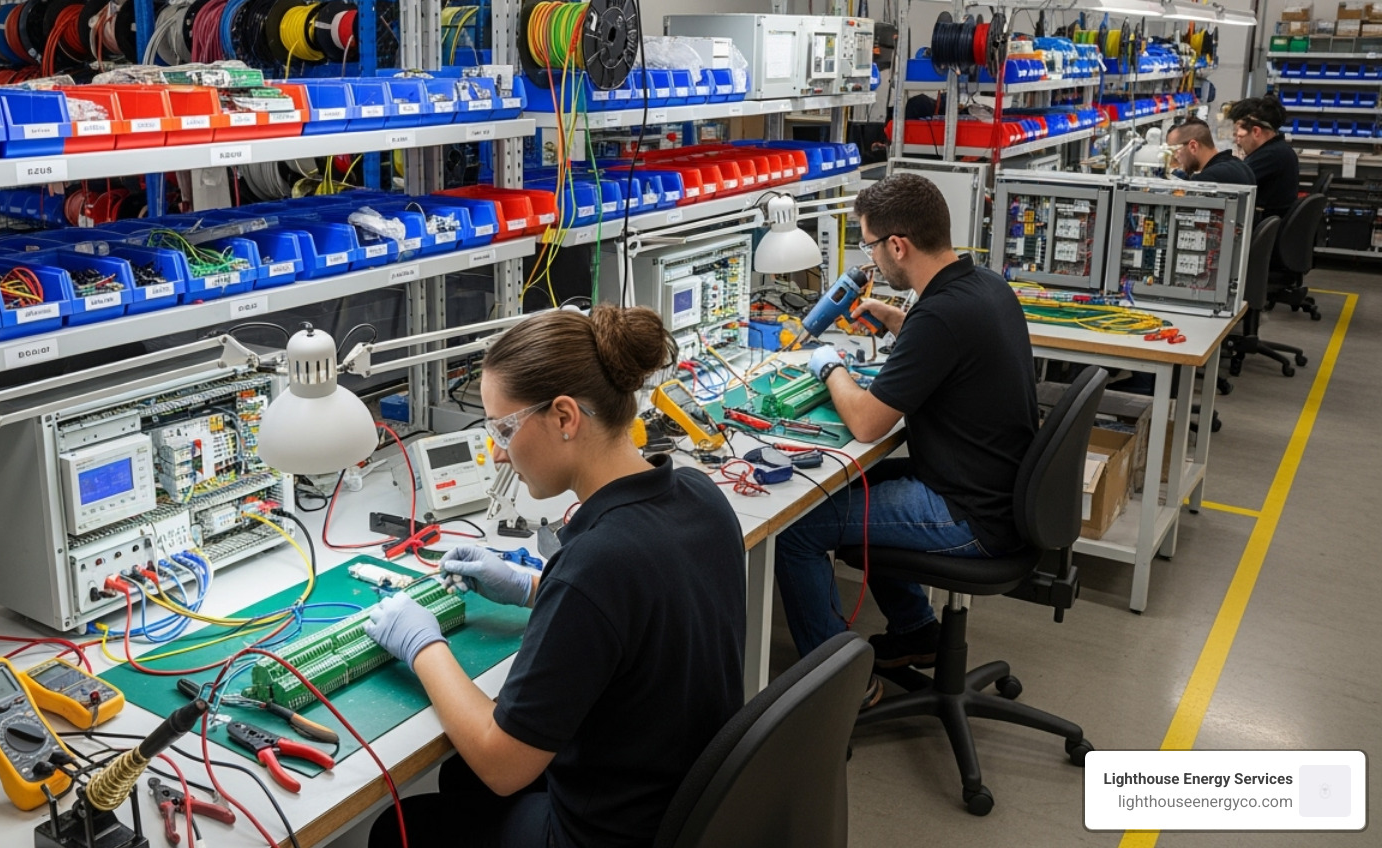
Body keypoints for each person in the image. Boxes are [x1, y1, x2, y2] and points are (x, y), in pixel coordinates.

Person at [363, 306, 747, 848]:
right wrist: (530, 587)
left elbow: (503, 763)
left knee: (400, 828)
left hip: (604, 835)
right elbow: (643, 613)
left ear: (565, 417)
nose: (497, 452)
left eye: (504, 428)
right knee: (458, 778)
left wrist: (422, 644)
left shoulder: (596, 564)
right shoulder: (699, 495)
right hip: (679, 805)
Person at [773, 174, 1036, 694]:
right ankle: (918, 631)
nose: (871, 261)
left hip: (969, 514)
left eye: (871, 245)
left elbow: (868, 423)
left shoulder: (940, 315)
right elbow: (949, 348)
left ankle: (838, 688)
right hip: (995, 489)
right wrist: (900, 321)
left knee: (795, 530)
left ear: (899, 244)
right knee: (858, 491)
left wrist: (828, 366)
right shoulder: (983, 285)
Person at [1228, 94, 1300, 219]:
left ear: (1256, 132)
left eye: (1239, 135)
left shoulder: (1271, 156)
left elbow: (1230, 182)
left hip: (1260, 227)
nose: (1237, 142)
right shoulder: (1279, 149)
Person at [1167, 117, 1256, 187]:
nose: (1176, 157)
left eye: (1175, 150)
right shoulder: (1238, 164)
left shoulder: (1208, 180)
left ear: (1193, 146)